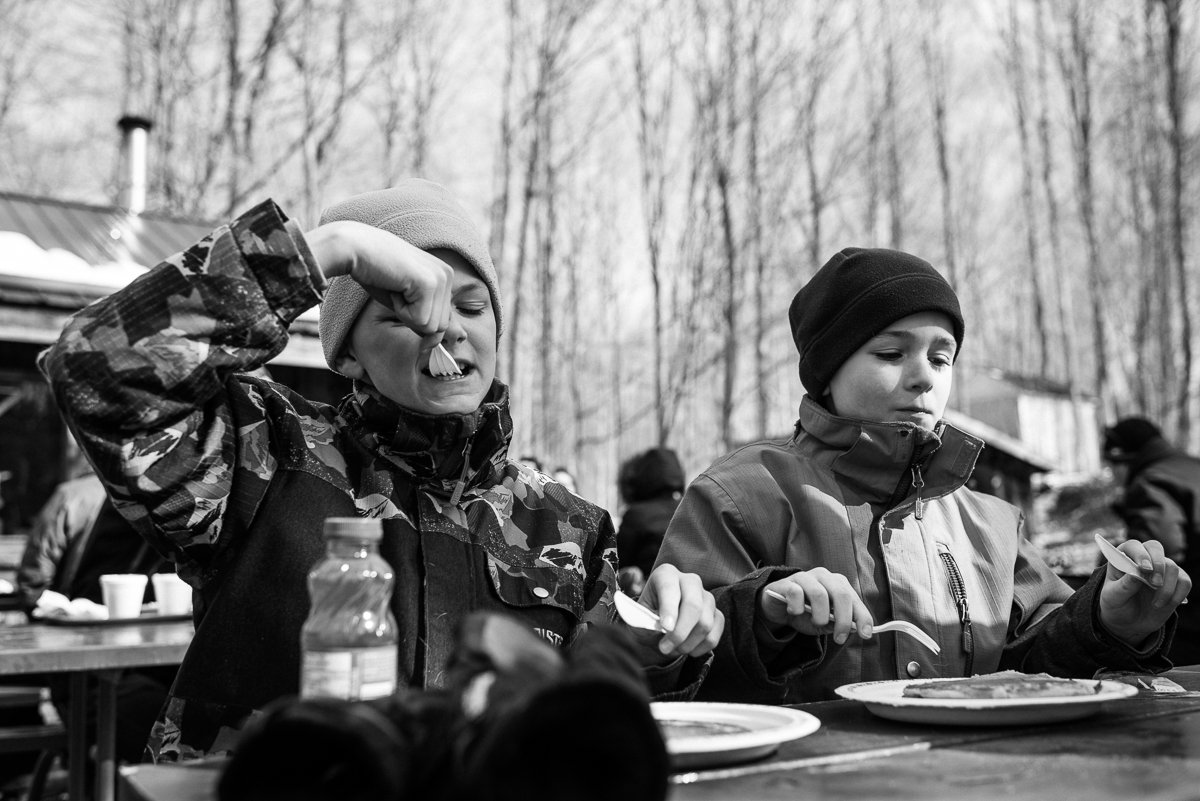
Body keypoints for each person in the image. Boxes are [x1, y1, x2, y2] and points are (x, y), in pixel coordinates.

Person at [39, 179, 722, 763]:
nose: (445, 328)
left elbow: (609, 724)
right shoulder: (263, 453)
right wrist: (331, 249)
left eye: (471, 305)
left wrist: (675, 632)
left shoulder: (568, 525)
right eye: (403, 304)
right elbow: (93, 368)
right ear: (349, 355)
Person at [655, 247, 1191, 704]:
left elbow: (1031, 669)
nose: (922, 379)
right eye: (890, 353)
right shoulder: (740, 494)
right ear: (827, 371)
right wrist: (763, 618)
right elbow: (670, 670)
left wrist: (1107, 621)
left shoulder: (992, 523)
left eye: (942, 358)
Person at [1103, 417, 1200, 665]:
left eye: (1112, 466)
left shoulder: (1151, 481)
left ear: (1123, 459)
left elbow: (1162, 557)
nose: (1113, 475)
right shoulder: (1192, 465)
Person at [616, 448, 685, 596]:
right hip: (690, 591)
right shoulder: (691, 509)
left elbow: (616, 562)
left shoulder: (636, 515)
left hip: (646, 597)